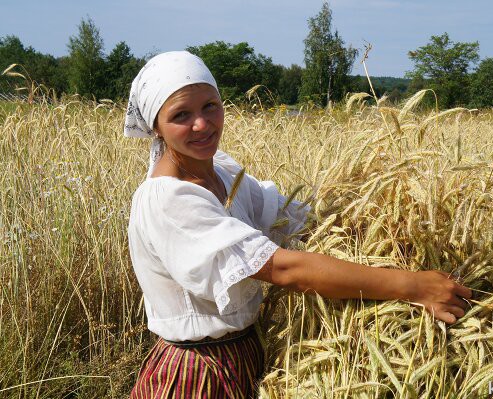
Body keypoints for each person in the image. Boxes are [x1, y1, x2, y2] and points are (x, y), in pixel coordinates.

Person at [124, 51, 472, 398]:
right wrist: (410, 286)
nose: (202, 124)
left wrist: (388, 231)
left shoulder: (224, 174)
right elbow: (283, 268)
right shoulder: (168, 200)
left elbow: (299, 220)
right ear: (156, 126)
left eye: (210, 106)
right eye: (181, 115)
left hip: (244, 355)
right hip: (196, 373)